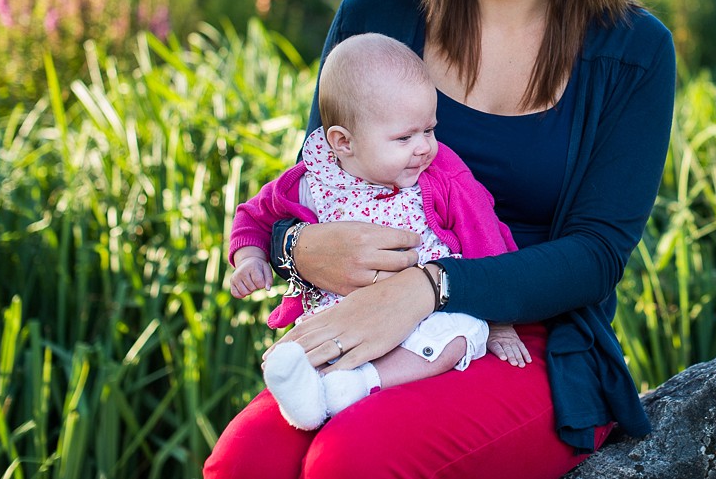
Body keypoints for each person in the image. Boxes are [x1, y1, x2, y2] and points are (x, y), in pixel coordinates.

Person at [205, 0, 676, 479]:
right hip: (370, 321)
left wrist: (431, 285)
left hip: (531, 342)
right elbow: (311, 183)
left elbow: (596, 254)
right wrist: (293, 246)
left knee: (349, 465)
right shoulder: (376, 19)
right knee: (245, 463)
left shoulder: (633, 53)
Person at [227, 32, 529, 431]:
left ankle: (356, 386)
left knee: (461, 335)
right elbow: (255, 214)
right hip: (340, 319)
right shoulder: (309, 181)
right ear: (343, 142)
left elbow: (482, 233)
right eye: (404, 137)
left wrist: (500, 319)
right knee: (303, 354)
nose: (424, 147)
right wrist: (249, 256)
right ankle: (309, 397)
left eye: (429, 130)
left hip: (427, 311)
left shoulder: (438, 177)